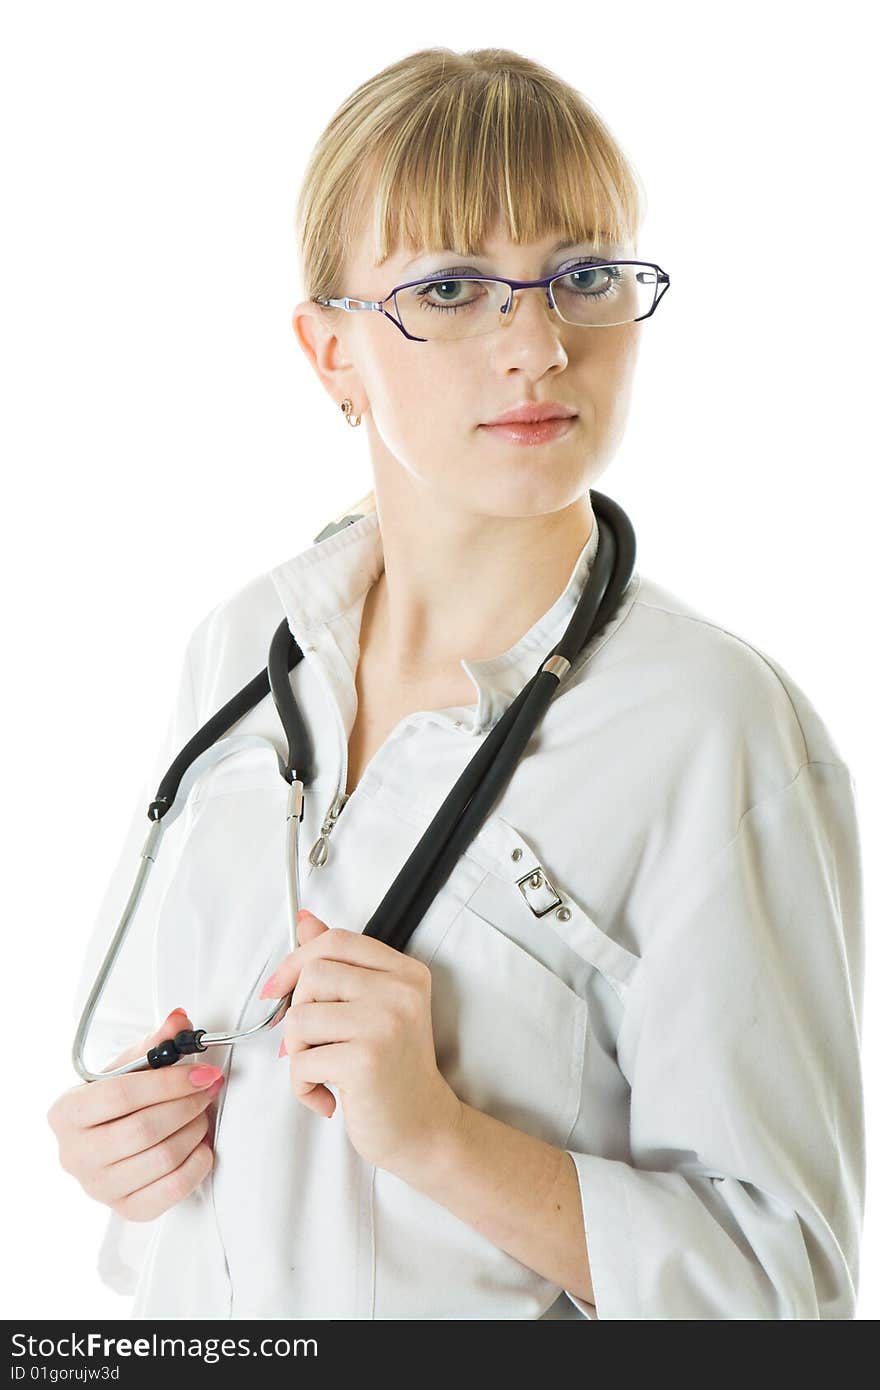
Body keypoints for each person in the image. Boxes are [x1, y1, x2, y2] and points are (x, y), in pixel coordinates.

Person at [47, 46, 865, 1320]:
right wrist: (122, 1142)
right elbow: (166, 1052)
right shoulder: (240, 649)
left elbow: (786, 1294)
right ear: (330, 356)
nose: (537, 343)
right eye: (452, 286)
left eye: (582, 276)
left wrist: (435, 1135)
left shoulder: (715, 728)